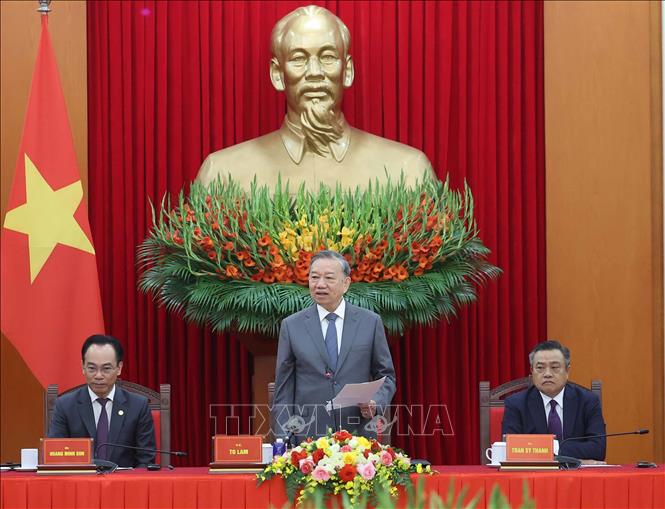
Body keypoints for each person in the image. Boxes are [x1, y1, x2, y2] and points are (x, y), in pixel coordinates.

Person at [196, 5, 434, 193]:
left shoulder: (408, 171)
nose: (314, 72)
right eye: (298, 58)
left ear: (348, 70)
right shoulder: (222, 175)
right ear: (277, 74)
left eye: (328, 57)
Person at [272, 250, 396, 441]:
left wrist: (375, 402)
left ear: (346, 283)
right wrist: (283, 439)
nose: (320, 284)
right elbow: (284, 389)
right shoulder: (292, 326)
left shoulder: (370, 322)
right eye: (314, 277)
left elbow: (386, 376)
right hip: (308, 437)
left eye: (329, 278)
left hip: (357, 437)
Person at [48, 335, 156, 467]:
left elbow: (145, 461)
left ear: (119, 368)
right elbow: (56, 457)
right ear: (82, 367)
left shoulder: (138, 406)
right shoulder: (65, 406)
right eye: (92, 368)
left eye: (106, 369)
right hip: (80, 479)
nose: (98, 376)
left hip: (125, 479)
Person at [501, 340, 606, 461]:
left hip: (575, 472)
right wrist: (554, 449)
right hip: (533, 472)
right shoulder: (515, 404)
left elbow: (598, 449)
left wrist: (553, 448)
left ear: (567, 371)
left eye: (555, 367)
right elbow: (511, 448)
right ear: (532, 371)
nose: (547, 374)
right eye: (540, 368)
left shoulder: (588, 401)